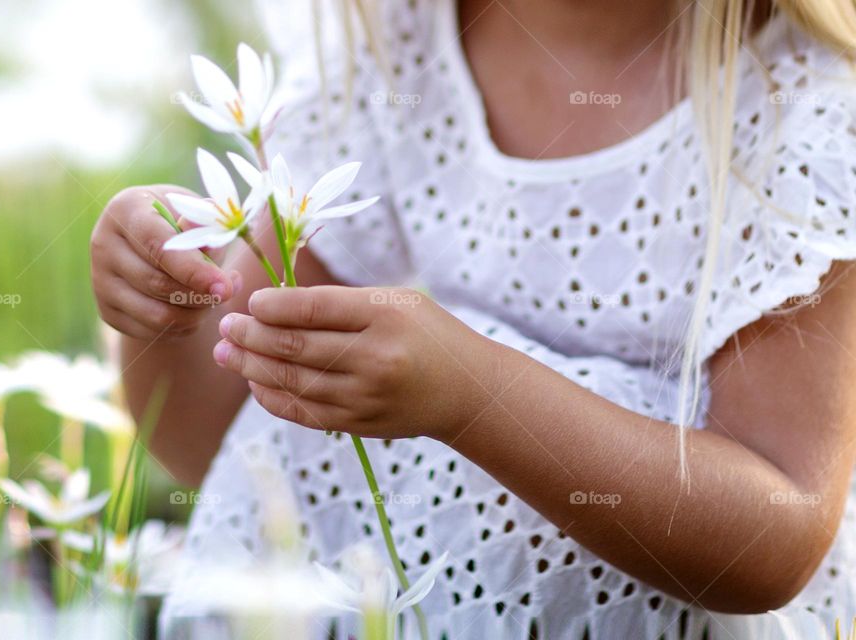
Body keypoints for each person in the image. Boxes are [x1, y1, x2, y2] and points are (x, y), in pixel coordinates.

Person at [89, 0, 856, 637]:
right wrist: (164, 314)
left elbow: (772, 543)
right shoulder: (394, 48)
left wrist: (475, 396)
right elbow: (223, 446)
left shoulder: (806, 108)